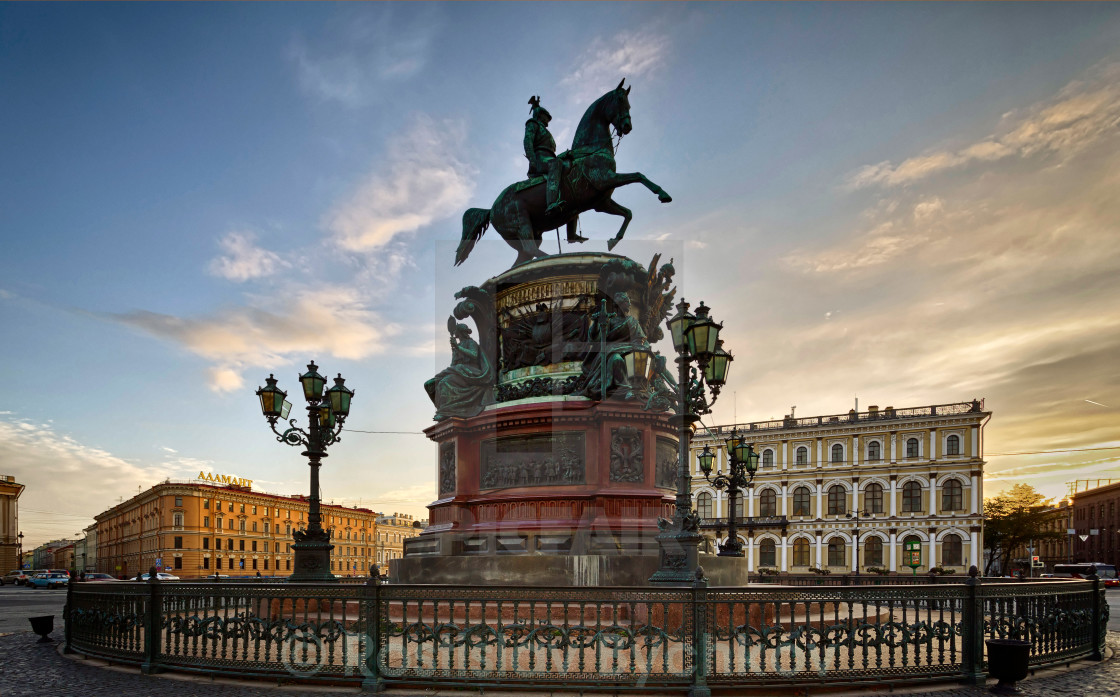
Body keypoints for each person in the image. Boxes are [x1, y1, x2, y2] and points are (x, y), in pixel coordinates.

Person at [424, 317, 494, 420]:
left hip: (471, 372)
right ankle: (443, 409)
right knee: (430, 384)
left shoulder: (471, 343)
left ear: (460, 332)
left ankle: (446, 411)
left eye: (456, 330)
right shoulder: (457, 346)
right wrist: (455, 350)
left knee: (444, 383)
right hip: (458, 371)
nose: (455, 332)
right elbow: (453, 365)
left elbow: (474, 355)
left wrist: (458, 348)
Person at [525, 96, 566, 216]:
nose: (548, 120)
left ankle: (572, 232)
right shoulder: (532, 124)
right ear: (540, 115)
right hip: (539, 160)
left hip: (549, 159)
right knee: (556, 163)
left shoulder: (545, 131)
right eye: (546, 116)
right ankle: (551, 203)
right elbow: (528, 141)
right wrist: (532, 160)